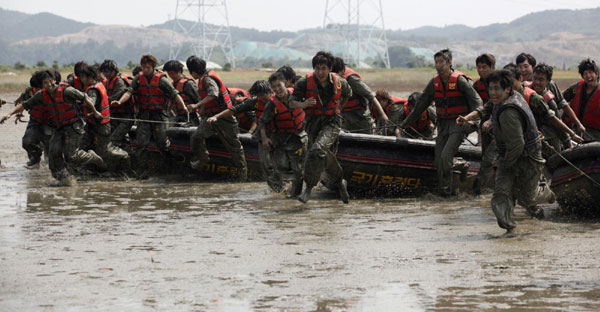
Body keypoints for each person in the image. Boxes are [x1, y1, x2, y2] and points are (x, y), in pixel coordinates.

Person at [401, 49, 482, 196]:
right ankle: (460, 167)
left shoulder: (460, 81)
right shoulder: (434, 82)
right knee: (439, 161)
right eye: (436, 62)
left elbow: (477, 103)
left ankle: (445, 193)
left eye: (441, 62)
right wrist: (406, 122)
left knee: (445, 157)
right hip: (443, 124)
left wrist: (472, 121)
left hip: (458, 123)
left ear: (449, 63)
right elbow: (421, 104)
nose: (438, 65)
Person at [1, 70, 105, 185]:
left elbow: (85, 98)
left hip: (74, 126)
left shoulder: (67, 91)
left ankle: (92, 157)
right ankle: (64, 179)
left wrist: (95, 112)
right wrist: (9, 114)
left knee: (71, 155)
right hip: (59, 127)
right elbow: (24, 105)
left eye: (50, 81)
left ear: (54, 80)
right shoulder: (41, 95)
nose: (49, 84)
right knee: (53, 154)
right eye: (45, 83)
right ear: (42, 85)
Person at [485, 69, 555, 234]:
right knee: (500, 195)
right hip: (509, 155)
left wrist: (503, 164)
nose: (493, 93)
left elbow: (517, 144)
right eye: (491, 89)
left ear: (507, 89)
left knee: (527, 198)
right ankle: (511, 228)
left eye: (497, 89)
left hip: (527, 158)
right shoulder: (508, 99)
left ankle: (547, 193)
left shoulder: (509, 111)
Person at [289, 51, 352, 203]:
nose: (320, 72)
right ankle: (340, 181)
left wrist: (338, 109)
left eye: (324, 68)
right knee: (319, 154)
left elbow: (347, 94)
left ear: (330, 68)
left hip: (332, 122)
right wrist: (303, 104)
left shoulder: (340, 82)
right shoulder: (304, 82)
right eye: (317, 68)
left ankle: (308, 188)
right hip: (313, 122)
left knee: (317, 149)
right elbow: (291, 102)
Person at [111, 54, 188, 176]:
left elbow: (174, 94)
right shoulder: (138, 78)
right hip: (144, 115)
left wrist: (183, 106)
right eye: (143, 67)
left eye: (147, 67)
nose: (145, 70)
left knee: (162, 143)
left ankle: (170, 164)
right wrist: (119, 102)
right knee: (141, 143)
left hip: (159, 116)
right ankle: (141, 170)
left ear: (153, 67)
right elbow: (129, 92)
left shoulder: (162, 80)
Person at [185, 55, 248, 181]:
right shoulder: (202, 79)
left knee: (234, 146)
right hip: (210, 117)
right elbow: (207, 99)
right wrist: (202, 109)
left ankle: (242, 175)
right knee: (197, 136)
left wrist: (196, 105)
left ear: (193, 71)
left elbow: (213, 94)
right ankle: (203, 158)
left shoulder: (207, 79)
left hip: (224, 117)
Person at [207, 81, 277, 188]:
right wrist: (216, 116)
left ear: (269, 91)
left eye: (262, 95)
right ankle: (276, 189)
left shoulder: (280, 100)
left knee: (283, 162)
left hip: (281, 135)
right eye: (258, 95)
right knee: (265, 164)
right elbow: (234, 110)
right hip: (264, 136)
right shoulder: (255, 102)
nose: (261, 98)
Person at [258, 72, 308, 197]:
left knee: (299, 168)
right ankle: (283, 189)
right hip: (282, 138)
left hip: (300, 134)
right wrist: (264, 139)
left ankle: (295, 195)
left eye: (279, 85)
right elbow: (262, 122)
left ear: (285, 83)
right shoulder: (272, 104)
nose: (277, 89)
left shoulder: (297, 95)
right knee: (281, 165)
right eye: (274, 87)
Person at [78, 65, 131, 173]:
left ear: (89, 77)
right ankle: (89, 169)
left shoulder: (92, 90)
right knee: (83, 145)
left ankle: (125, 157)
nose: (81, 79)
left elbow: (91, 101)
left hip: (101, 126)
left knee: (104, 151)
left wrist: (82, 104)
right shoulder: (98, 85)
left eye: (83, 77)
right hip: (92, 125)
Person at [531, 63, 584, 150]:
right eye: (535, 78)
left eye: (541, 80)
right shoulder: (527, 92)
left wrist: (577, 124)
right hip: (533, 135)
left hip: (550, 134)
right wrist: (571, 134)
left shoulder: (550, 92)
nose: (537, 82)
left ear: (548, 81)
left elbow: (557, 114)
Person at [332, 56, 388, 134]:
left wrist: (382, 114)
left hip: (360, 115)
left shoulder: (351, 79)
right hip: (344, 115)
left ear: (342, 71)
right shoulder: (328, 79)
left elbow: (370, 95)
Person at [13, 72, 51, 169]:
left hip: (49, 122)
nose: (35, 90)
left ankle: (49, 165)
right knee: (27, 142)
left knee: (49, 146)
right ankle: (35, 160)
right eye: (34, 88)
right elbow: (23, 102)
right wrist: (18, 114)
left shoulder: (51, 92)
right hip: (35, 120)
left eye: (37, 88)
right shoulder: (29, 92)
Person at [472, 53, 496, 194]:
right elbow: (477, 106)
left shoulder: (500, 82)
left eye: (484, 67)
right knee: (486, 157)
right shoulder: (477, 85)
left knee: (489, 159)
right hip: (486, 125)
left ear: (492, 67)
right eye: (478, 67)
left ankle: (478, 190)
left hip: (502, 124)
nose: (481, 70)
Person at [100, 59, 135, 150]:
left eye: (107, 72)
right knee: (114, 138)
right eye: (104, 72)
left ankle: (126, 157)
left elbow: (114, 98)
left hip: (126, 117)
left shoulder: (119, 82)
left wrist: (99, 102)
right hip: (115, 116)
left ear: (113, 71)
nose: (105, 74)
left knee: (113, 139)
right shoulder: (107, 81)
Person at [562, 58, 600, 141]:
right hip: (575, 128)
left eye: (591, 72)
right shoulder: (576, 87)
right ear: (583, 77)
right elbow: (561, 98)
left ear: (596, 74)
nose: (588, 76)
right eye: (585, 74)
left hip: (596, 134)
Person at [163, 60, 200, 126]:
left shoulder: (189, 84)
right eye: (169, 74)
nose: (171, 76)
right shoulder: (173, 84)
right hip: (179, 116)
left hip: (191, 117)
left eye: (173, 73)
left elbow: (199, 99)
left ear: (180, 71)